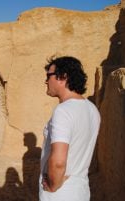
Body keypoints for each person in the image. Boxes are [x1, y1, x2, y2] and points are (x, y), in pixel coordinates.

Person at [40, 56, 101, 201]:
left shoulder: (63, 110)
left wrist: (53, 186)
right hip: (80, 191)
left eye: (49, 76)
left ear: (63, 77)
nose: (46, 81)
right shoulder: (92, 109)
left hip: (60, 193)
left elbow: (59, 162)